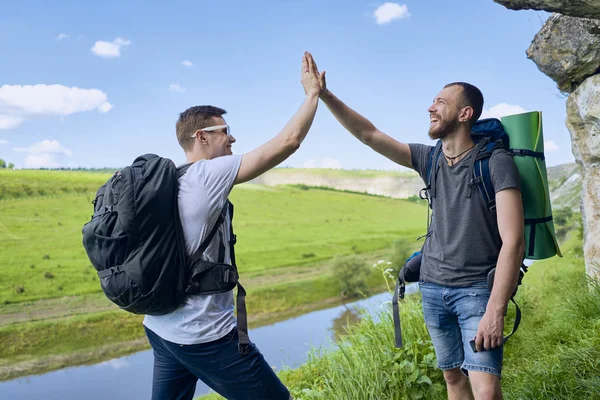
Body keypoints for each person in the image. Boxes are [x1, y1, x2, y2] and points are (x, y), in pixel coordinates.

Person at [306, 53, 525, 400]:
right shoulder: (430, 158)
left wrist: (495, 311)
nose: (430, 107)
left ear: (465, 114)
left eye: (440, 102)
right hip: (433, 288)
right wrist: (324, 95)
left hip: (476, 293)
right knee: (453, 379)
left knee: (486, 389)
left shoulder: (495, 163)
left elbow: (514, 242)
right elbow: (368, 134)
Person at [142, 52, 322, 400]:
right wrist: (312, 94)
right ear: (202, 137)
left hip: (161, 327)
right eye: (225, 132)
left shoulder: (173, 181)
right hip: (204, 334)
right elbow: (288, 143)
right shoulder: (207, 174)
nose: (233, 139)